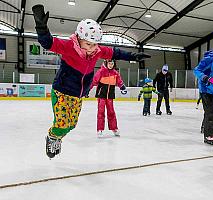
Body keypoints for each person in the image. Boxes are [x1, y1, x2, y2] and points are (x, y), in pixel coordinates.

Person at [32, 4, 150, 158]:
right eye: (89, 44)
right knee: (62, 124)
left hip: (78, 96)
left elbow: (115, 52)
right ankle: (53, 137)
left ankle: (58, 136)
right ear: (79, 39)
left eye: (95, 44)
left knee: (71, 125)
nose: (93, 48)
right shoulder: (69, 46)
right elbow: (48, 43)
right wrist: (42, 29)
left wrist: (133, 56)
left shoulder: (97, 50)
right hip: (62, 92)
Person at [91, 60, 126, 137]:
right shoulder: (101, 71)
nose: (111, 65)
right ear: (106, 63)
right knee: (101, 112)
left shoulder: (115, 73)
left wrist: (122, 87)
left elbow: (119, 81)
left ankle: (114, 128)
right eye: (109, 63)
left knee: (111, 112)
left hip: (110, 95)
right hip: (101, 95)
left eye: (112, 64)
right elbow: (94, 81)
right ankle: (99, 129)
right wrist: (87, 90)